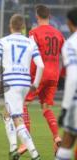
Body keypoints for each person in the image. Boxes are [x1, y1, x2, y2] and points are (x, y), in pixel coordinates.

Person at [0, 14, 44, 160]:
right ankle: (13, 148)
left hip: (11, 83)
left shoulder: (3, 41)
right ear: (22, 27)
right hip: (25, 83)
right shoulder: (30, 42)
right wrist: (35, 84)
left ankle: (34, 153)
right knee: (7, 113)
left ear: (10, 25)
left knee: (17, 118)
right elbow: (41, 65)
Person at [18, 4, 65, 154]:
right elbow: (63, 54)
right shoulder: (59, 34)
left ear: (37, 16)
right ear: (49, 16)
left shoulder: (34, 32)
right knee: (46, 108)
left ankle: (26, 142)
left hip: (39, 74)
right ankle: (57, 137)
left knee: (22, 104)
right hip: (54, 75)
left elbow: (31, 55)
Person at [55, 7, 77, 160]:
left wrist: (64, 108)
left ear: (69, 23)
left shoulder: (70, 44)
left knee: (67, 141)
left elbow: (73, 77)